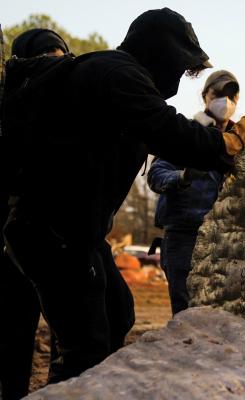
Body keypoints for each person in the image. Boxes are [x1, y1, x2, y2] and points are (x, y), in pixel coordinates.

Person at [1, 8, 245, 384]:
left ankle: (75, 385)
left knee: (118, 313)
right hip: (50, 231)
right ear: (161, 54)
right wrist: (231, 140)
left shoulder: (114, 76)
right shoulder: (117, 73)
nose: (179, 79)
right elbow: (172, 134)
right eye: (180, 68)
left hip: (74, 231)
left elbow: (165, 135)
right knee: (86, 345)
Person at [0, 28, 70, 400]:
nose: (52, 65)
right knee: (15, 331)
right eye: (43, 57)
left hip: (67, 242)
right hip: (17, 243)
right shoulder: (8, 107)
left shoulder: (75, 108)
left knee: (73, 338)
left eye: (59, 57)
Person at [148, 70, 240, 315]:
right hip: (185, 238)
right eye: (219, 93)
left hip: (228, 241)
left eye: (232, 95)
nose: (225, 101)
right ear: (205, 96)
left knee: (224, 316)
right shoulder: (184, 133)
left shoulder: (242, 140)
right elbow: (157, 174)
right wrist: (183, 177)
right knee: (187, 312)